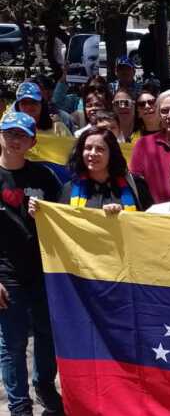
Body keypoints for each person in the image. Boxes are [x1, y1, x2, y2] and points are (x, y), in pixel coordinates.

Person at [0, 112, 64, 416]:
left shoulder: (44, 177)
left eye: (21, 135)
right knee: (11, 344)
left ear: (32, 142)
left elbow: (66, 217)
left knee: (46, 336)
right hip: (6, 276)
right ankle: (19, 405)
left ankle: (44, 387)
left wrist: (47, 212)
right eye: (9, 133)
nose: (15, 140)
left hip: (43, 272)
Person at [60, 127, 153, 212]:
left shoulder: (136, 186)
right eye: (88, 148)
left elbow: (149, 222)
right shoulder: (69, 189)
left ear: (112, 154)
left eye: (100, 149)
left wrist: (122, 216)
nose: (92, 153)